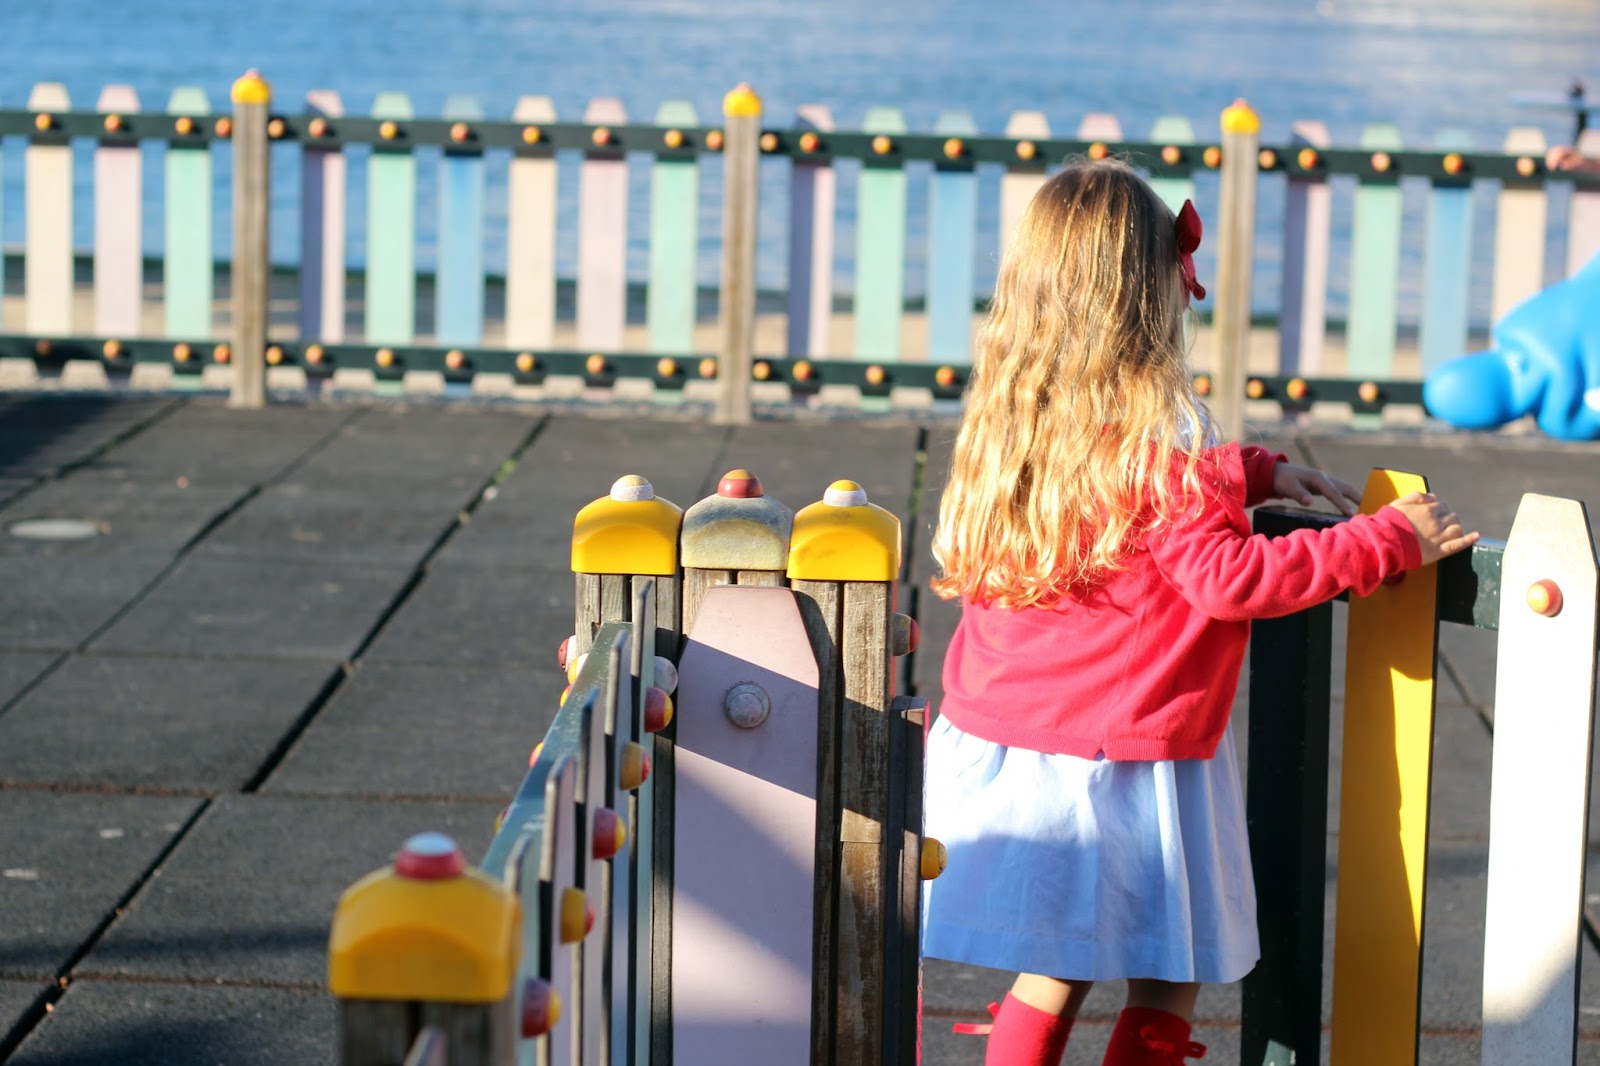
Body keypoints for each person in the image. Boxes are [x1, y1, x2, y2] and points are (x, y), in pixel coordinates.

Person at [921, 159, 1479, 1066]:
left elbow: (1137, 505)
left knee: (1051, 972)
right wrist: (1385, 542)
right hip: (1128, 757)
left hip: (1022, 747)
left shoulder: (1020, 419)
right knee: (1165, 973)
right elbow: (1230, 577)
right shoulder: (1162, 431)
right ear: (1151, 296)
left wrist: (1254, 472)